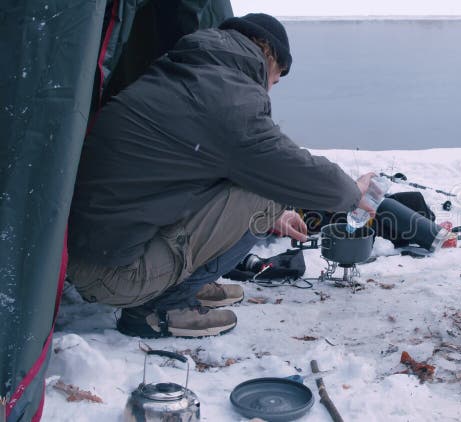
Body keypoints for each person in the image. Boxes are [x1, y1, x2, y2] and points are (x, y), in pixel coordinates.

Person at [67, 13, 374, 338]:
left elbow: (192, 173)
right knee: (268, 192)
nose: (272, 87)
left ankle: (177, 283)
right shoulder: (228, 98)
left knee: (253, 181)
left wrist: (271, 217)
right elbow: (288, 169)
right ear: (268, 55)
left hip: (90, 251)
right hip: (113, 273)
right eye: (276, 78)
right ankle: (161, 308)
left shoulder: (185, 73)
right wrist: (352, 193)